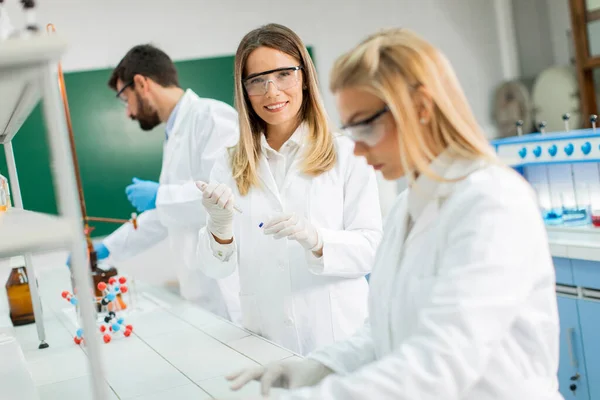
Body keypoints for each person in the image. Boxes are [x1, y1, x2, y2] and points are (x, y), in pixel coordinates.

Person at [226, 28, 562, 399]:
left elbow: (441, 362)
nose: (355, 150)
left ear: (420, 107)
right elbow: (385, 331)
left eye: (365, 125)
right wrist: (319, 367)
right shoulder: (408, 206)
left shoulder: (492, 203)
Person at [194, 23, 382, 356]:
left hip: (337, 334)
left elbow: (371, 247)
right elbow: (214, 269)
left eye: (283, 74)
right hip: (266, 337)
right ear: (244, 90)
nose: (271, 91)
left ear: (305, 77)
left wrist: (319, 240)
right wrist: (219, 230)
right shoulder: (229, 163)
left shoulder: (347, 152)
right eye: (257, 81)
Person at [83, 44, 241, 320]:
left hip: (227, 291)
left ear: (142, 83)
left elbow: (228, 196)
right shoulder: (175, 131)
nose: (128, 113)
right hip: (201, 292)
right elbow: (167, 215)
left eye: (124, 98)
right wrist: (109, 246)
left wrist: (161, 196)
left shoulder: (211, 117)